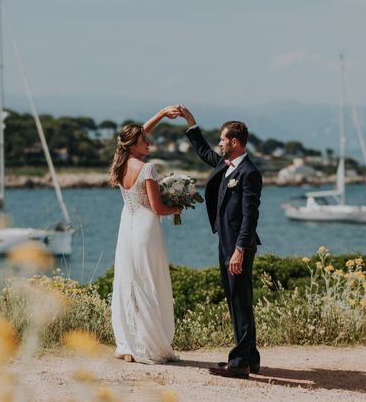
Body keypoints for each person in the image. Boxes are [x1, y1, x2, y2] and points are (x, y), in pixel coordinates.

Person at [179, 105, 262, 379]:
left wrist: (239, 250)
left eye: (223, 140)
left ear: (235, 142)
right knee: (237, 298)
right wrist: (191, 124)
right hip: (225, 243)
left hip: (238, 245)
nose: (220, 144)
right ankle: (250, 357)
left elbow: (251, 217)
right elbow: (204, 151)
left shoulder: (249, 173)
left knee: (239, 299)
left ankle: (239, 363)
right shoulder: (226, 165)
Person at [109, 107, 182, 364]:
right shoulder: (147, 168)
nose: (149, 142)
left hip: (126, 226)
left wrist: (162, 114)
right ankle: (148, 346)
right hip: (145, 228)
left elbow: (138, 133)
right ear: (134, 144)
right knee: (149, 281)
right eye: (144, 140)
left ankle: (128, 345)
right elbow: (158, 209)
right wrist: (177, 207)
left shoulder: (121, 164)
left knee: (128, 282)